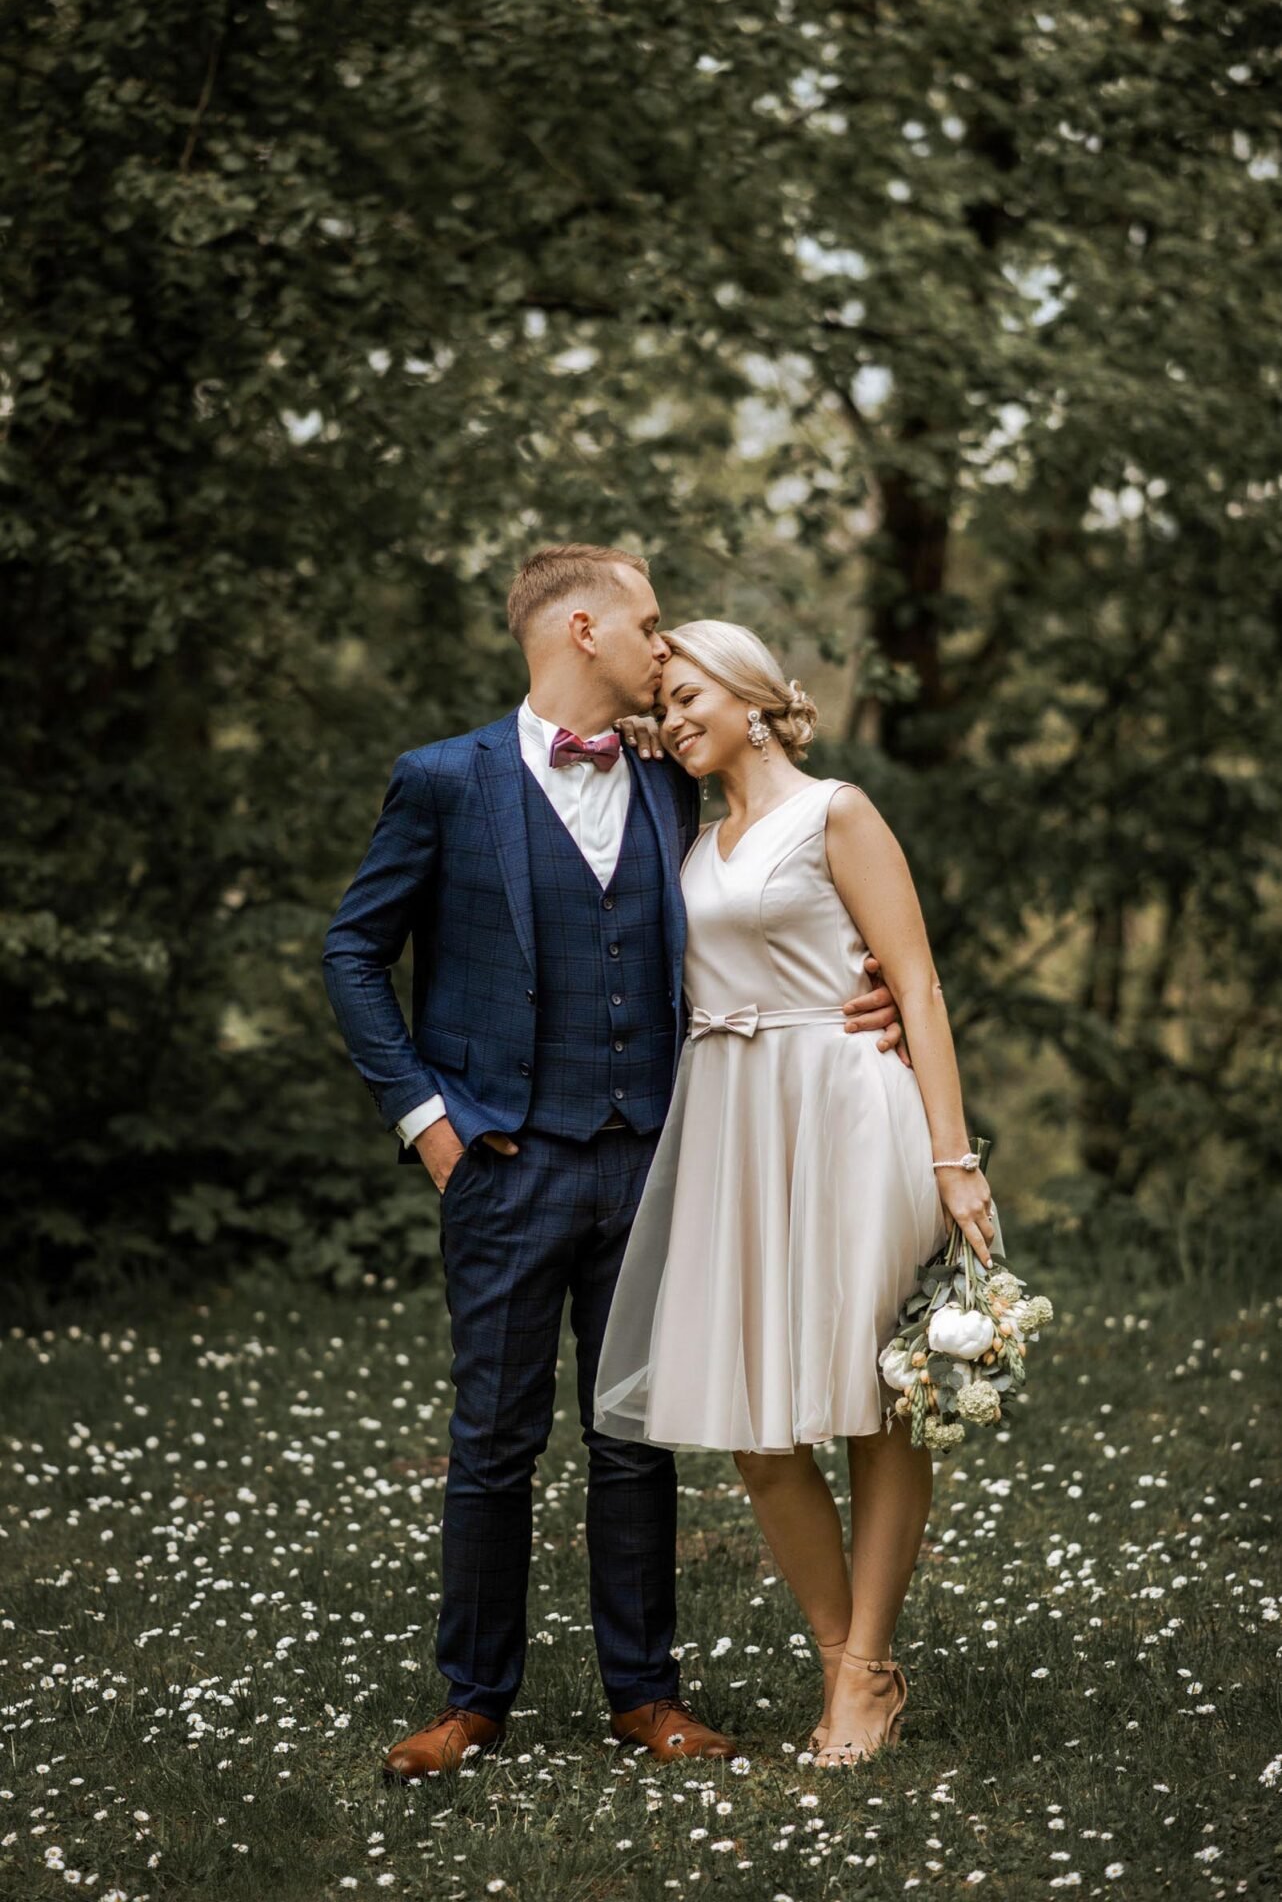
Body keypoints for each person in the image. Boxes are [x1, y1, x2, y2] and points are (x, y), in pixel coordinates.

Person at [321, 547, 904, 1776]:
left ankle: (645, 1696)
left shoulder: (667, 778)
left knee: (634, 1434)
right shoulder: (442, 781)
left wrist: (874, 999)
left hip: (656, 1154)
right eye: (648, 624)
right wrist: (428, 1120)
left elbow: (774, 898)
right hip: (501, 1158)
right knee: (494, 1432)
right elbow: (352, 954)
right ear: (583, 630)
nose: (663, 644)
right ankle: (471, 1700)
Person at [594, 617, 997, 1769]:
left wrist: (952, 1156)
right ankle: (837, 1658)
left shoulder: (839, 813)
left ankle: (868, 1672)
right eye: (658, 704)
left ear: (752, 691)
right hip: (729, 1124)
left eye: (687, 697)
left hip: (842, 1109)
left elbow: (914, 988)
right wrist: (645, 721)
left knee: (871, 1401)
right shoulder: (687, 828)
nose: (670, 719)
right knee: (753, 1425)